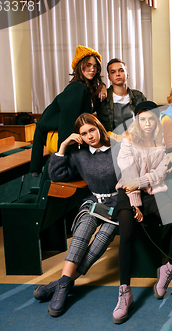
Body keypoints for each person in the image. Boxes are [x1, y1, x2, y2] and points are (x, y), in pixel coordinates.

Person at [33, 113, 119, 317]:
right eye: (83, 133)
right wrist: (63, 147)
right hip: (93, 200)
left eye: (92, 130)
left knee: (100, 241)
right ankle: (64, 285)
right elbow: (57, 175)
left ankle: (61, 284)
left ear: (99, 127)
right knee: (81, 234)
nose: (89, 136)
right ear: (78, 136)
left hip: (117, 204)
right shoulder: (79, 153)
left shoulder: (118, 148)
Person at [112, 101, 172, 324]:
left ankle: (169, 269)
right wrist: (135, 204)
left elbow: (158, 175)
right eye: (142, 119)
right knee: (126, 233)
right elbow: (127, 175)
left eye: (151, 119)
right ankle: (125, 292)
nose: (147, 123)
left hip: (154, 192)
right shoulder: (128, 141)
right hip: (127, 194)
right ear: (136, 120)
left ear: (157, 120)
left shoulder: (162, 142)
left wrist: (141, 181)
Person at [30, 45, 107, 175]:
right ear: (79, 66)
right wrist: (63, 157)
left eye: (95, 66)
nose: (92, 69)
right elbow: (67, 124)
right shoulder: (77, 88)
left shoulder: (85, 87)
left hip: (65, 135)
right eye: (88, 65)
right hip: (57, 136)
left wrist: (102, 86)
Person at [96, 58, 147, 134]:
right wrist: (101, 85)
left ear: (127, 74)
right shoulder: (103, 98)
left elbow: (147, 119)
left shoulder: (138, 96)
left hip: (136, 140)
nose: (117, 74)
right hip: (111, 142)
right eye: (113, 72)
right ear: (109, 77)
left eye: (121, 70)